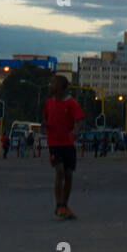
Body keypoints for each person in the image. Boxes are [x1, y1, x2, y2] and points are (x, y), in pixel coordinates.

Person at [43, 74, 84, 220]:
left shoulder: (71, 103)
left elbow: (80, 119)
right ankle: (59, 204)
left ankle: (64, 205)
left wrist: (76, 131)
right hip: (54, 144)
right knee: (59, 171)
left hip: (68, 144)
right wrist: (45, 125)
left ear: (60, 86)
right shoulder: (48, 103)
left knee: (68, 175)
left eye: (53, 83)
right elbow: (46, 117)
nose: (50, 86)